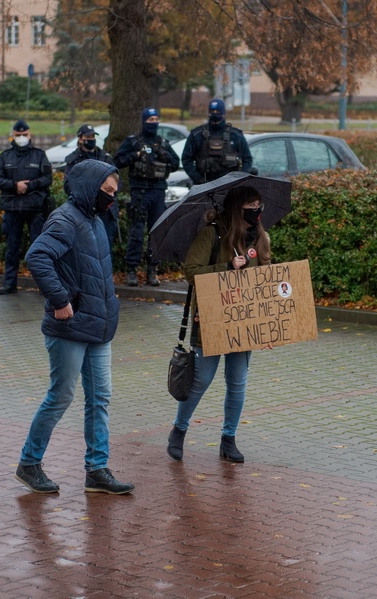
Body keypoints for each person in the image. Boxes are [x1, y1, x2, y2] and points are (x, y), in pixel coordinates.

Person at [14, 159, 134, 495]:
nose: (111, 198)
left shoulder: (94, 219)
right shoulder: (65, 219)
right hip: (69, 326)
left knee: (100, 398)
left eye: (114, 193)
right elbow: (37, 257)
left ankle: (97, 469)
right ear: (88, 187)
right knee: (61, 396)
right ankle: (29, 462)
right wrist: (60, 301)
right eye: (106, 191)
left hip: (98, 327)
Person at [166, 185, 271, 463]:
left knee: (237, 383)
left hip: (243, 322)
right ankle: (178, 431)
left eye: (260, 204)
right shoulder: (211, 234)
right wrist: (226, 268)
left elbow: (265, 282)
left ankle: (229, 439)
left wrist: (268, 322)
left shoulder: (260, 238)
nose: (257, 210)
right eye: (251, 205)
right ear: (238, 208)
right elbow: (190, 272)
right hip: (212, 319)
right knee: (200, 381)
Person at [114, 107, 180, 287]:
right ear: (144, 121)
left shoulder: (163, 143)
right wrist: (135, 156)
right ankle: (131, 270)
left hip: (158, 192)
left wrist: (164, 155)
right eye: (150, 120)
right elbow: (117, 161)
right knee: (136, 233)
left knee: (156, 232)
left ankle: (152, 270)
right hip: (140, 192)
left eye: (156, 119)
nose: (154, 123)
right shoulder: (133, 142)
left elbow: (176, 163)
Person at [0, 119, 54, 295]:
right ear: (13, 136)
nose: (21, 138)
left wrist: (30, 185)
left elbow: (47, 178)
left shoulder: (39, 155)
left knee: (38, 249)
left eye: (24, 135)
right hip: (12, 209)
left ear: (30, 134)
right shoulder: (5, 156)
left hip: (35, 209)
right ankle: (9, 284)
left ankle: (43, 286)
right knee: (12, 248)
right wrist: (15, 185)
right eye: (18, 135)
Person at [64, 124, 118, 247]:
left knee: (105, 247)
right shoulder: (73, 159)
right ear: (80, 139)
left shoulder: (105, 157)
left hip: (105, 211)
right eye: (87, 136)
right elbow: (68, 186)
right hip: (83, 212)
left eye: (93, 136)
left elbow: (116, 181)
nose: (91, 139)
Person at [181, 98, 253, 186]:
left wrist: (239, 179)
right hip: (203, 185)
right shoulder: (197, 135)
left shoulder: (235, 135)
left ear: (223, 113)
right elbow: (186, 159)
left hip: (229, 186)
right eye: (212, 111)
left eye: (218, 111)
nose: (215, 114)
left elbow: (247, 159)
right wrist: (198, 179)